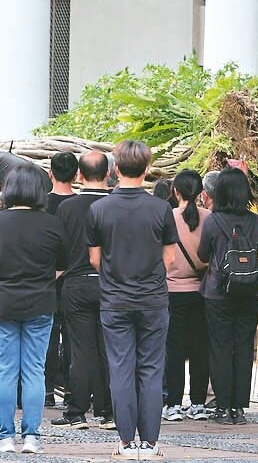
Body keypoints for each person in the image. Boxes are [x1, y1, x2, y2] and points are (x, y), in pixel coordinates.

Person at [88, 139, 178, 459]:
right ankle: (151, 444)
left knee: (120, 369)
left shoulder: (99, 209)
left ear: (115, 168)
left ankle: (126, 443)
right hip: (153, 299)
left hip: (114, 300)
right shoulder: (161, 208)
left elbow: (95, 260)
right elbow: (170, 259)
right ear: (147, 168)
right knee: (151, 370)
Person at [0, 166, 70, 454]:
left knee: (6, 370)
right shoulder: (51, 223)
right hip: (41, 302)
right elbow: (62, 264)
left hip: (5, 301)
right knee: (34, 371)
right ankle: (32, 436)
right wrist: (42, 279)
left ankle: (5, 436)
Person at [197, 165, 258, 426]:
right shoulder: (256, 221)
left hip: (217, 291)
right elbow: (256, 248)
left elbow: (203, 255)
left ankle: (222, 406)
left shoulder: (212, 221)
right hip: (248, 291)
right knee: (243, 348)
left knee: (220, 348)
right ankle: (239, 407)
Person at [52, 150, 114, 430]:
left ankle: (76, 411)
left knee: (80, 349)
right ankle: (109, 410)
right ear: (109, 174)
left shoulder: (68, 208)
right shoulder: (116, 205)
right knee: (109, 348)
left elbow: (59, 251)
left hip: (75, 282)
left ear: (79, 175)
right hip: (111, 283)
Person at [163, 169, 212, 423]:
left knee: (174, 349)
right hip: (202, 292)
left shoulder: (167, 217)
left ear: (176, 192)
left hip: (172, 293)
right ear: (201, 192)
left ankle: (172, 403)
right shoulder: (209, 217)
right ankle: (198, 403)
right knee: (200, 349)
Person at [44, 151, 78, 410]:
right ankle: (70, 389)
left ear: (50, 173)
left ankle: (45, 390)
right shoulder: (81, 205)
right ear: (77, 175)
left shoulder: (41, 205)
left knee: (46, 335)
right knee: (72, 338)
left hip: (45, 280)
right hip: (75, 278)